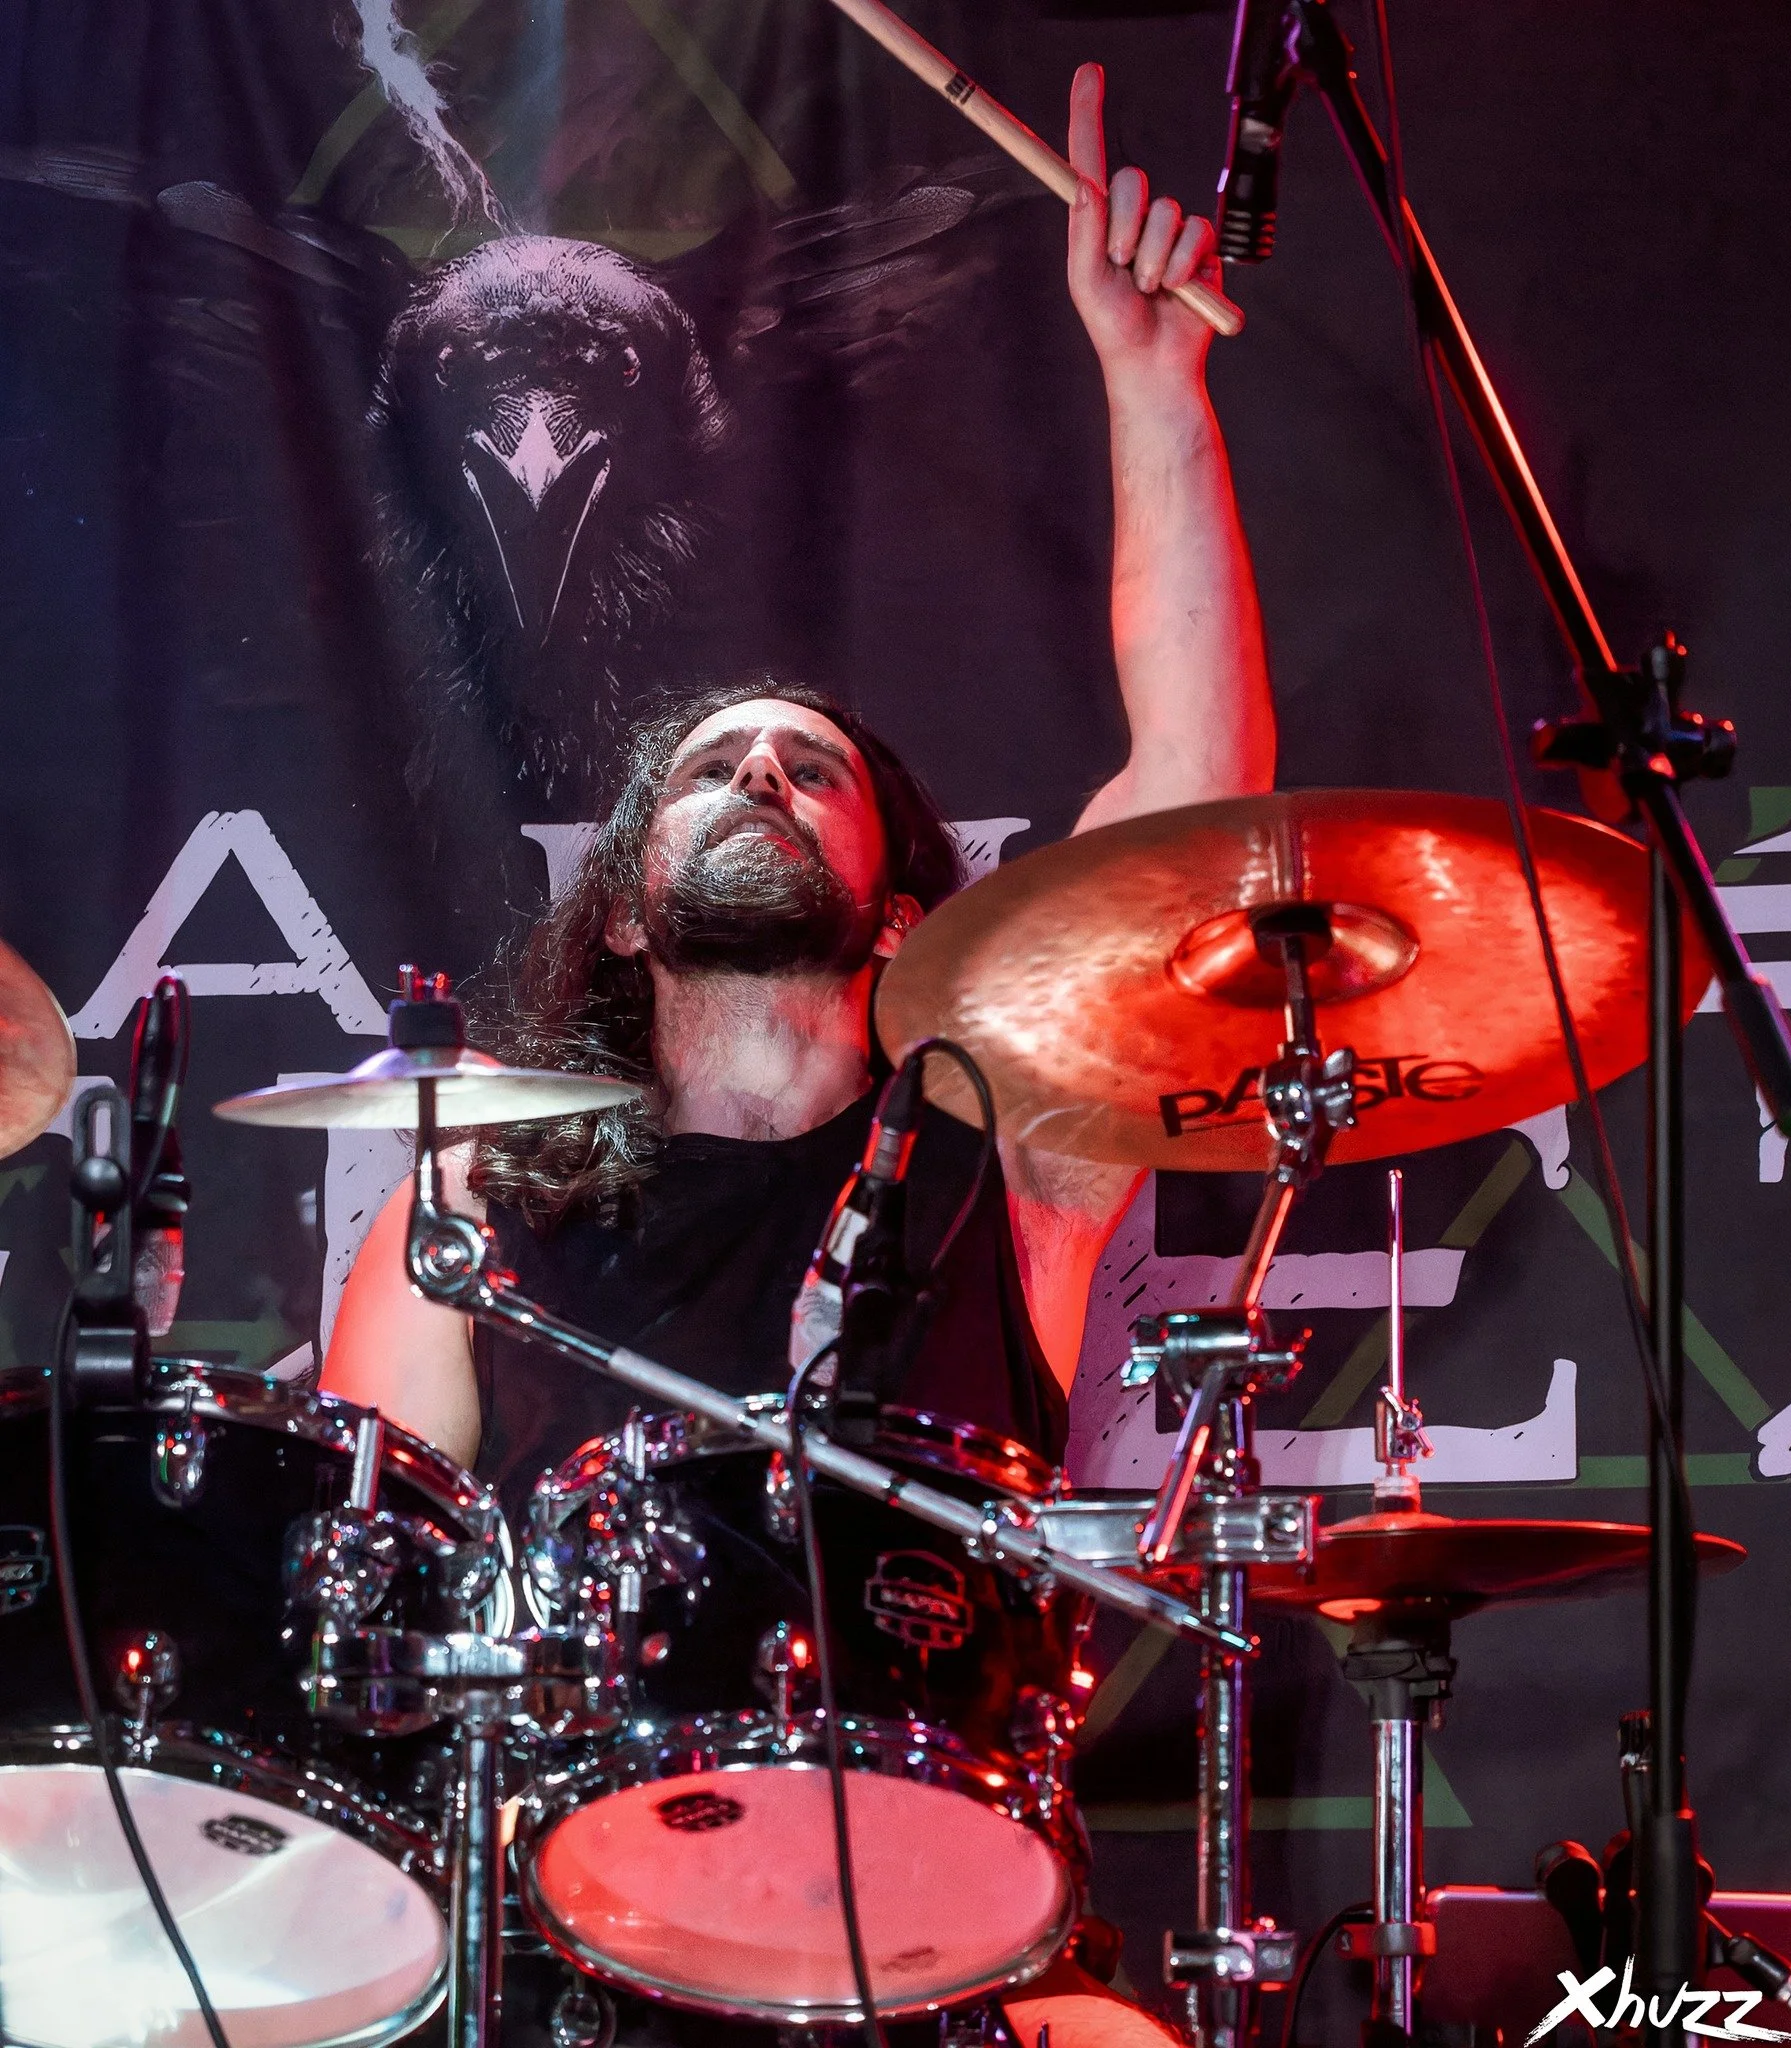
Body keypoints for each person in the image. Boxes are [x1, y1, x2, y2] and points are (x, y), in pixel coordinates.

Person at [329, 63, 1273, 2048]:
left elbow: (1193, 799)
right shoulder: (478, 1181)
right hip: (581, 1929)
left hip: (952, 1924)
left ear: (905, 909)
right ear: (636, 911)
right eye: (708, 771)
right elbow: (363, 1574)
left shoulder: (995, 1142)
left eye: (808, 766)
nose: (755, 771)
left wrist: (1150, 385)